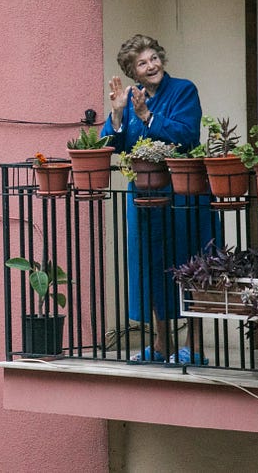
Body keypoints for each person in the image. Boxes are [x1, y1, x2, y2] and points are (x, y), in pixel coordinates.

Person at [101, 34, 214, 363]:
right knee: (152, 269)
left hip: (183, 196)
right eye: (142, 63)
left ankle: (194, 347)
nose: (151, 65)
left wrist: (149, 116)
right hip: (145, 200)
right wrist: (119, 115)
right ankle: (161, 344)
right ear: (133, 72)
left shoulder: (183, 91)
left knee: (191, 269)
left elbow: (187, 134)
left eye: (153, 58)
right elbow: (110, 144)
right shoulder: (130, 99)